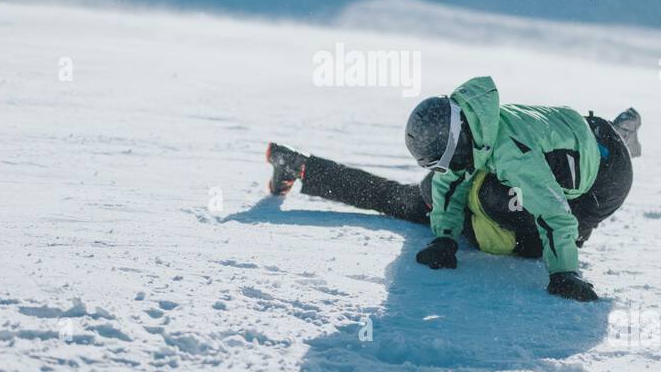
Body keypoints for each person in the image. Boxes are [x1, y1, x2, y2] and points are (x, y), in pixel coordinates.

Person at [265, 76, 640, 302]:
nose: (447, 171)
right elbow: (445, 184)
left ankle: (620, 136)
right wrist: (444, 237)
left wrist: (564, 273)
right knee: (424, 198)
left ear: (459, 144)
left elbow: (555, 212)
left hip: (604, 181)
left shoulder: (511, 157)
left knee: (534, 234)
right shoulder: (475, 126)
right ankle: (300, 166)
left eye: (449, 162)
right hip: (577, 131)